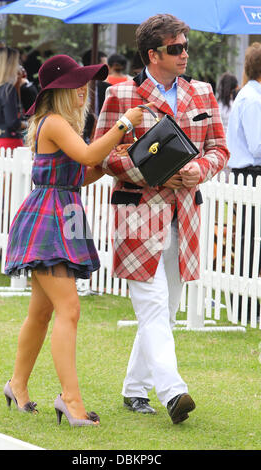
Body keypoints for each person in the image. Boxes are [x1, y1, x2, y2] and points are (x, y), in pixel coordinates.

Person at [95, 14, 229, 425]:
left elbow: (219, 148)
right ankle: (174, 392)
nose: (184, 53)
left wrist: (200, 169)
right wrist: (150, 172)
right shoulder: (121, 94)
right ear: (153, 54)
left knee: (165, 310)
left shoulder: (203, 93)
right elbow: (103, 155)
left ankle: (135, 390)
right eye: (176, 48)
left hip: (184, 216)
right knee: (152, 308)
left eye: (185, 45)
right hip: (136, 214)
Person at [3, 54, 147, 427]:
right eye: (77, 83)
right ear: (58, 90)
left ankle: (17, 385)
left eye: (86, 83)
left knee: (42, 312)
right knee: (68, 310)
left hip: (59, 212)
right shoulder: (52, 123)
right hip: (49, 218)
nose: (85, 89)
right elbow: (84, 155)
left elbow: (78, 174)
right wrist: (122, 127)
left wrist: (105, 162)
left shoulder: (58, 124)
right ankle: (70, 399)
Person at [226, 42, 261, 321]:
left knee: (251, 240)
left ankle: (248, 306)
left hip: (248, 173)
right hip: (252, 172)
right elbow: (258, 145)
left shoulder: (251, 95)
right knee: (252, 241)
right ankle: (247, 307)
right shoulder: (253, 100)